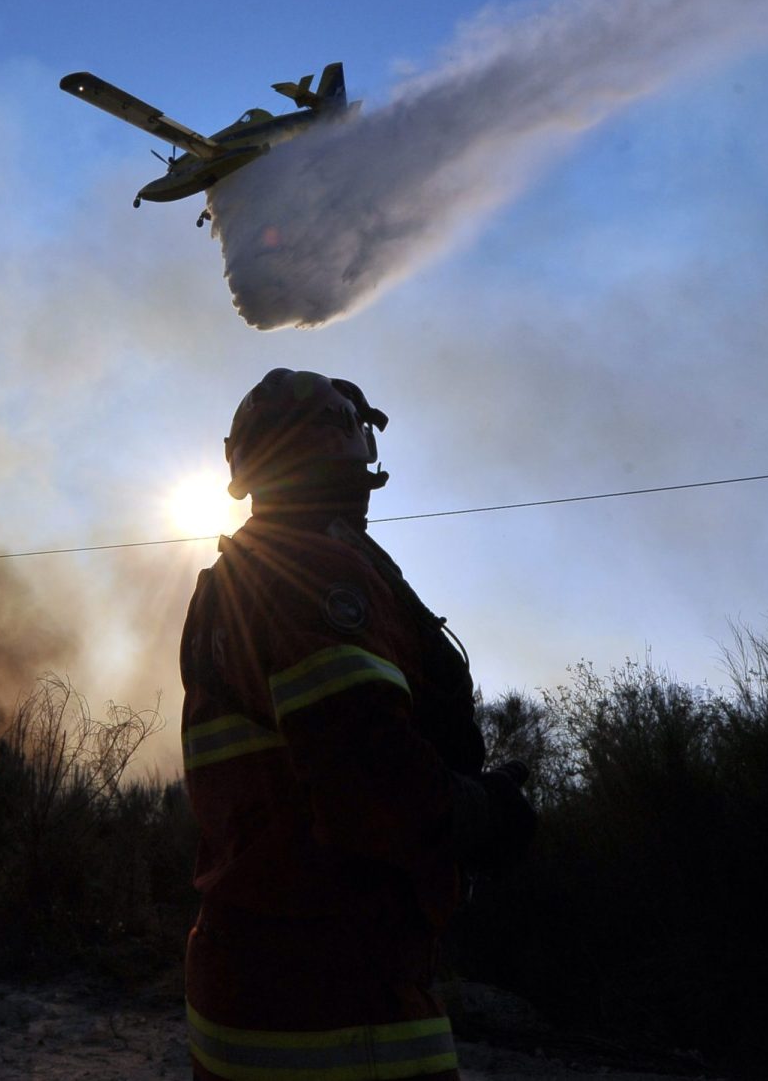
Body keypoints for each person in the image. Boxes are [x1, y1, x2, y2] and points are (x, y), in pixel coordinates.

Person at [178, 368, 536, 1081]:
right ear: (342, 441)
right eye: (355, 433)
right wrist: (483, 813)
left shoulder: (241, 576)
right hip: (337, 1005)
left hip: (259, 983)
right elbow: (368, 776)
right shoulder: (307, 571)